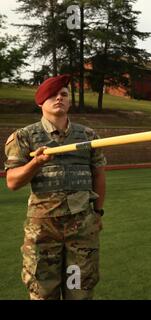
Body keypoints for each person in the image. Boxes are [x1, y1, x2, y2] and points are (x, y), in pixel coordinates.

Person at [4, 74, 107, 300]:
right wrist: (35, 163)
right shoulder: (24, 137)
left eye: (64, 94)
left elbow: (99, 174)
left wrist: (98, 212)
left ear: (69, 101)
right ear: (41, 102)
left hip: (82, 228)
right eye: (53, 95)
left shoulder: (88, 136)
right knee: (43, 292)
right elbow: (12, 181)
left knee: (79, 291)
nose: (59, 98)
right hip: (43, 229)